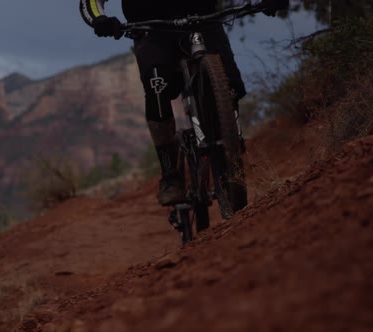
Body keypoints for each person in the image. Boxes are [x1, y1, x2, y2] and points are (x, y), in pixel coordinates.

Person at [80, 0, 289, 206]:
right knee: (157, 91)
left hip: (203, 21)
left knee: (230, 83)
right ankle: (170, 175)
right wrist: (99, 20)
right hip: (151, 30)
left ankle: (230, 142)